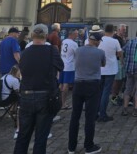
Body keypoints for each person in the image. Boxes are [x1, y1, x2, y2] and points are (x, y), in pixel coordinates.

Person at [14, 24, 63, 154]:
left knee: (23, 135)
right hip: (45, 97)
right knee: (41, 137)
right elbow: (61, 66)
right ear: (46, 36)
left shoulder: (25, 53)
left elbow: (21, 69)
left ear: (32, 36)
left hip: (26, 96)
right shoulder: (52, 51)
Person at [68, 29, 106, 154]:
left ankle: (71, 147)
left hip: (78, 84)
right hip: (92, 85)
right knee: (90, 117)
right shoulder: (100, 52)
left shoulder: (78, 50)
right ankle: (89, 145)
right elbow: (103, 64)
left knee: (75, 116)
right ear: (97, 41)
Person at [97, 24, 122, 122]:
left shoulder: (100, 40)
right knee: (106, 92)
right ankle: (102, 113)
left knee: (100, 91)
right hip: (110, 68)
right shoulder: (114, 41)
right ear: (113, 31)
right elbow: (119, 53)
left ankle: (97, 111)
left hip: (100, 68)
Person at [121, 28, 137, 116]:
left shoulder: (129, 42)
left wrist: (123, 62)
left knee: (128, 89)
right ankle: (136, 109)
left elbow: (122, 51)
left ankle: (125, 108)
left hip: (128, 69)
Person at [60, 29, 78, 109]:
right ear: (72, 34)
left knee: (61, 84)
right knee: (66, 85)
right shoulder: (74, 44)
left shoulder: (64, 41)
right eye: (76, 34)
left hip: (62, 64)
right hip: (69, 66)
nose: (77, 35)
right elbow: (77, 55)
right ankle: (63, 104)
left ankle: (60, 102)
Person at [110, 23, 127, 106]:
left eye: (125, 30)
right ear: (118, 30)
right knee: (117, 80)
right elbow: (116, 51)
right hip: (118, 61)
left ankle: (116, 95)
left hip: (121, 61)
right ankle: (113, 96)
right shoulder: (115, 38)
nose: (124, 31)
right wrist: (121, 58)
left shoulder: (121, 38)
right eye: (123, 30)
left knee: (120, 80)